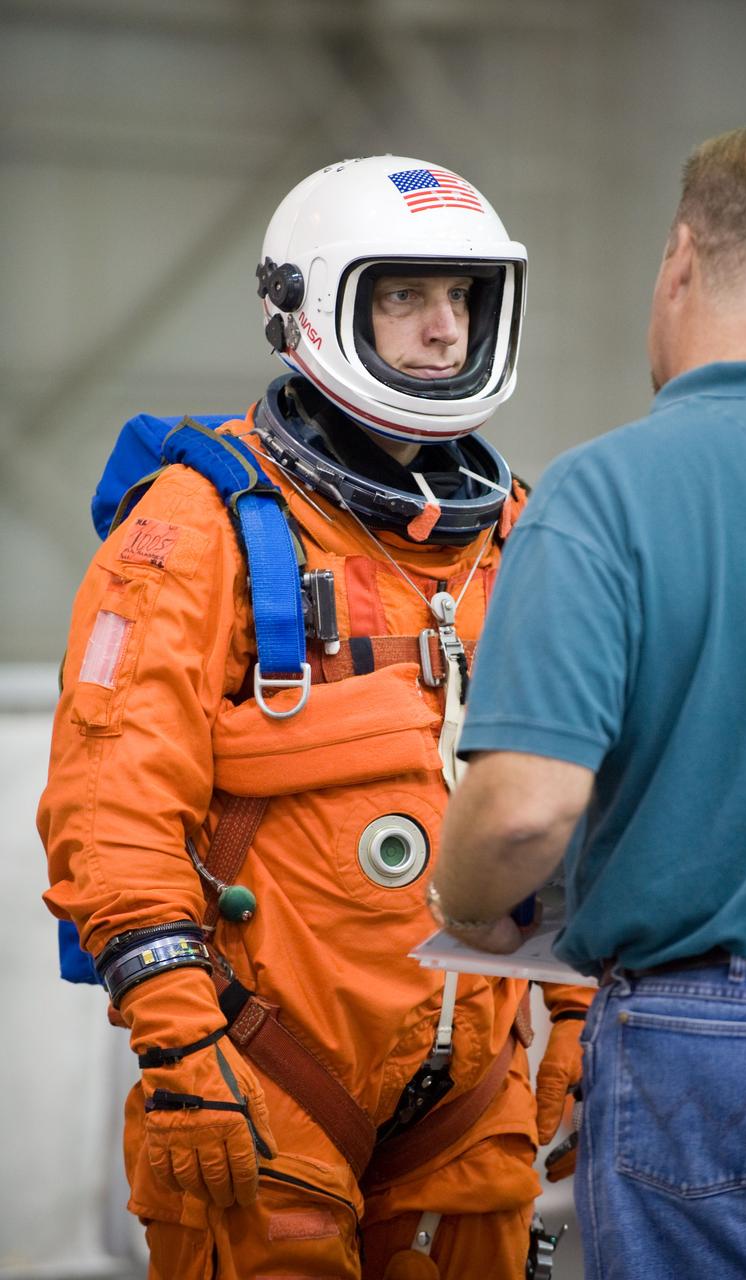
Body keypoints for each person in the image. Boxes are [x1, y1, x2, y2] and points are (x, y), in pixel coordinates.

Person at [37, 155, 592, 1280]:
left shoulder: (519, 538)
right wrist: (183, 1039)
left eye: (463, 299)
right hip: (263, 1075)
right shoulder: (198, 527)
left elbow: (578, 804)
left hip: (473, 1102)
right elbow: (113, 798)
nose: (444, 330)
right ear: (310, 304)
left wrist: (572, 1028)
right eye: (405, 296)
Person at [426, 127, 746, 1279]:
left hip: (713, 1050)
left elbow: (521, 810)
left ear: (677, 260)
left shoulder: (607, 491)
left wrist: (463, 896)